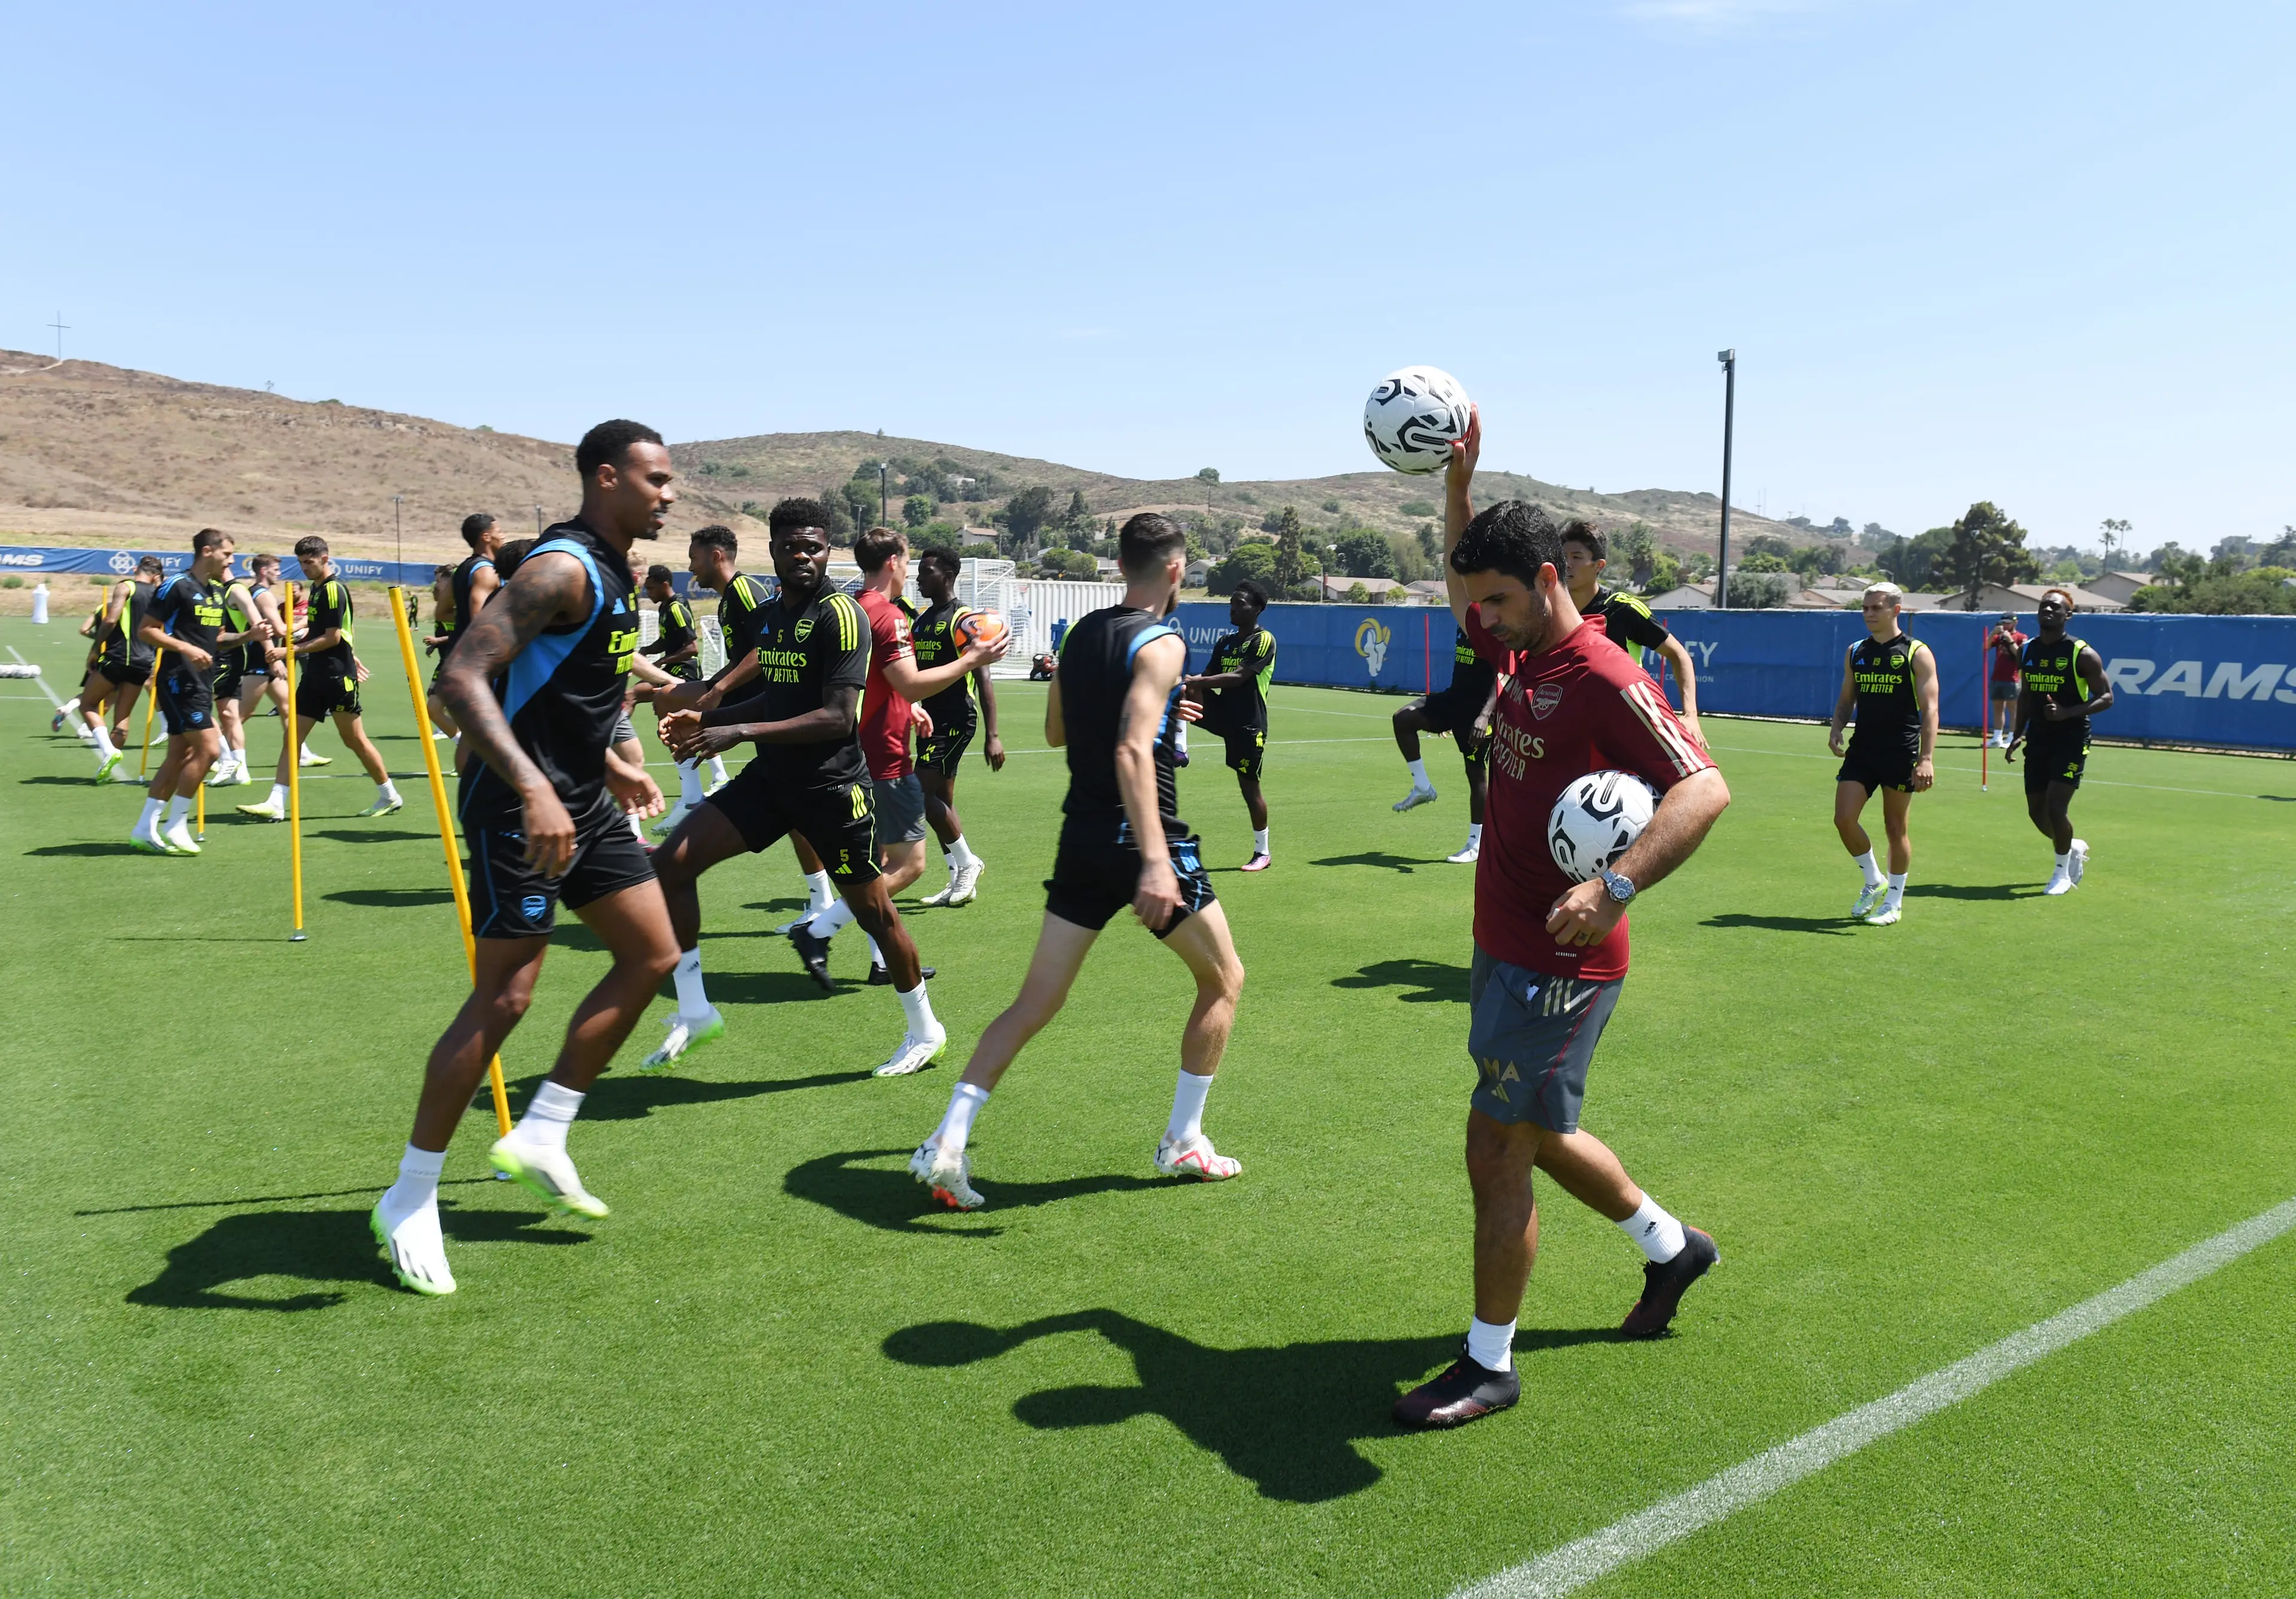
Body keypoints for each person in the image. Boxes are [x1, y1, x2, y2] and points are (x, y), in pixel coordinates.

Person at [1391, 409, 1730, 1431]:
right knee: (1540, 1131)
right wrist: (1460, 489)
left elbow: (1705, 788)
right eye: (1475, 599)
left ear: (1549, 583)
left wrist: (1615, 884)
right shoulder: (1521, 653)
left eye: (1497, 599)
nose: (1478, 617)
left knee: (1495, 1146)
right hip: (1503, 945)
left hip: (1563, 961)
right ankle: (1675, 1248)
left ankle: (1489, 1363)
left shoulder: (1603, 675)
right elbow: (1467, 581)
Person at [370, 420, 680, 1297]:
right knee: (507, 993)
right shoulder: (560, 567)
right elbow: (460, 680)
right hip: (519, 805)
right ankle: (410, 1193)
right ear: (608, 477)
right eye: (656, 479)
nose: (669, 494)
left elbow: (564, 690)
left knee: (652, 953)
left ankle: (544, 1129)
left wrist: (613, 765)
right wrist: (539, 788)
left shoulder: (617, 575)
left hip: (581, 799)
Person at [909, 513, 1247, 1211]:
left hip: (1081, 838)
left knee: (1036, 1001)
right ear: (1176, 570)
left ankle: (947, 1139)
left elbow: (1060, 730)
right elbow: (1129, 750)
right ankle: (1184, 1137)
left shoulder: (1086, 633)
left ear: (1121, 565)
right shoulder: (1164, 643)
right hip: (1144, 838)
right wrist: (1155, 862)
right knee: (1224, 979)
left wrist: (1156, 715)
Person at [648, 503, 962, 1078]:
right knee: (671, 864)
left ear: (827, 551)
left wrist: (733, 731)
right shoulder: (769, 617)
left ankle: (926, 1030)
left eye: (814, 547)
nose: (804, 556)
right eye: (793, 546)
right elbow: (778, 699)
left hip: (832, 791)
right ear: (772, 549)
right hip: (772, 781)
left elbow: (838, 717)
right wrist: (703, 719)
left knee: (877, 916)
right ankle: (694, 1010)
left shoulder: (842, 615)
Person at [787, 527, 1004, 996]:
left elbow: (867, 680)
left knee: (876, 862)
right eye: (908, 562)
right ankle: (819, 930)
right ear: (892, 562)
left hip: (848, 753)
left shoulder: (846, 608)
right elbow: (907, 681)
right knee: (909, 865)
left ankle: (882, 960)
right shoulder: (890, 614)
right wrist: (972, 659)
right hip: (884, 757)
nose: (910, 571)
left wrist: (909, 706)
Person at [235, 537, 402, 821]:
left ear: (325, 559)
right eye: (300, 562)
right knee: (293, 738)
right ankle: (277, 802)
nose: (304, 568)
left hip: (337, 678)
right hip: (315, 677)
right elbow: (321, 628)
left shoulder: (333, 589)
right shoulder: (316, 589)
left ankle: (389, 795)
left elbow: (333, 637)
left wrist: (289, 649)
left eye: (309, 562)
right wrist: (299, 631)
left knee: (355, 741)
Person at [130, 530, 270, 854]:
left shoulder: (218, 592)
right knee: (210, 750)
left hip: (202, 681)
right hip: (179, 678)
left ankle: (143, 829)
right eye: (227, 555)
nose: (232, 561)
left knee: (181, 755)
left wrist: (249, 635)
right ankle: (176, 824)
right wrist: (186, 649)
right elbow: (147, 630)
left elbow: (217, 639)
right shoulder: (175, 585)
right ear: (207, 552)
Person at [1826, 583, 1937, 924]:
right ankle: (1874, 879)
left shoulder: (1916, 652)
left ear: (1896, 610)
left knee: (1895, 828)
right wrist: (1837, 727)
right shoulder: (1856, 651)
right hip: (1863, 750)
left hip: (1900, 751)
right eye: (1866, 608)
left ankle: (1894, 902)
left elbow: (1930, 709)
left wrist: (1926, 758)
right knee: (1843, 819)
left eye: (1877, 608)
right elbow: (1847, 698)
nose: (1870, 614)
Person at [910, 545, 1006, 906]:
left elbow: (984, 680)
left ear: (948, 576)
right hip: (930, 720)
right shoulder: (921, 620)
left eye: (927, 571)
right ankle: (956, 880)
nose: (919, 577)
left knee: (919, 795)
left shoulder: (965, 620)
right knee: (942, 802)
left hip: (954, 719)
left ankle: (968, 863)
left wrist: (993, 736)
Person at [1559, 521, 1706, 751]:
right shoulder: (1551, 609)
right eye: (1563, 556)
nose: (1567, 564)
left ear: (1599, 565)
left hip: (1626, 727)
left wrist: (1690, 714)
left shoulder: (1623, 608)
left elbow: (1679, 655)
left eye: (1577, 557)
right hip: (1571, 728)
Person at [2006, 588, 2112, 895]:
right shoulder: (2026, 650)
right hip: (2039, 737)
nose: (2048, 611)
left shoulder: (2082, 653)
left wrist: (2068, 713)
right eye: (2044, 607)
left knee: (2055, 806)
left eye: (2055, 608)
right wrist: (2017, 734)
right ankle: (2072, 846)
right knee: (2036, 812)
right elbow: (2026, 695)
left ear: (2068, 615)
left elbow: (2107, 697)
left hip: (2071, 737)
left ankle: (2061, 874)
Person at [1183, 579, 1278, 870]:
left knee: (1250, 790)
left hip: (1249, 724)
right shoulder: (1225, 642)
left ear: (1257, 609)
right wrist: (1191, 683)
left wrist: (1198, 681)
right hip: (1223, 715)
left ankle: (1263, 852)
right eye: (1232, 603)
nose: (1233, 608)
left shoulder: (1263, 640)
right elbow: (1208, 675)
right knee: (1181, 694)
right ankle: (1178, 748)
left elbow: (1239, 678)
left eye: (1240, 604)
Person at [1390, 624, 1504, 864]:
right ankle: (1422, 787)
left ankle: (1476, 844)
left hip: (1479, 712)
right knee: (1403, 719)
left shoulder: (1492, 626)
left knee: (1476, 776)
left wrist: (1485, 716)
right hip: (1454, 701)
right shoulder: (1463, 623)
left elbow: (1502, 673)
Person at [78, 556, 165, 780]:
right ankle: (107, 769)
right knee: (123, 719)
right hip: (144, 662)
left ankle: (108, 752)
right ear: (156, 576)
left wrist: (95, 649)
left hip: (118, 657)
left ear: (137, 570)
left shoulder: (126, 586)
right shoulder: (159, 595)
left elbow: (110, 620)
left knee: (88, 704)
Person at [637, 562, 707, 830]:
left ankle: (693, 798)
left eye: (651, 588)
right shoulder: (666, 608)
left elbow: (690, 648)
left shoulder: (676, 607)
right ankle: (695, 794)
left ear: (664, 584)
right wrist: (648, 650)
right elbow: (669, 641)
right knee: (679, 729)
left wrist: (659, 663)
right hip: (673, 672)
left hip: (684, 675)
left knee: (673, 728)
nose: (648, 593)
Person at [426, 513, 503, 740]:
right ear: (486, 536)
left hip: (459, 655)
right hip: (481, 662)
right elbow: (480, 619)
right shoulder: (486, 571)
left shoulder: (463, 569)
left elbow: (442, 612)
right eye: (500, 532)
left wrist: (459, 629)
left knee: (463, 724)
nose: (503, 536)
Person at [1984, 611, 2028, 748]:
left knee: (2013, 709)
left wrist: (2010, 639)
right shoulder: (1998, 637)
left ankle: (2012, 737)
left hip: (2012, 678)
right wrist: (1993, 633)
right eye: (2003, 623)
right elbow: (1985, 647)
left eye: (2008, 623)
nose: (2005, 625)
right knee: (1998, 708)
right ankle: (1997, 737)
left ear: (2015, 622)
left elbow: (2020, 654)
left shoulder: (2021, 637)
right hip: (1997, 677)